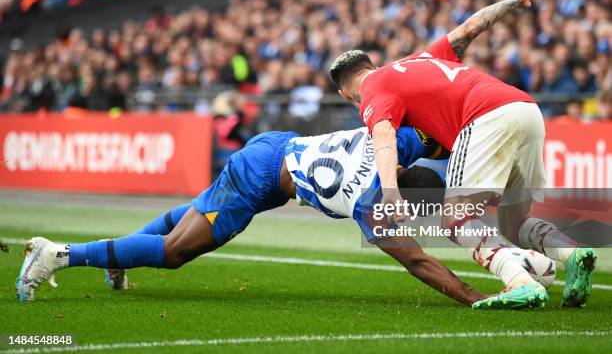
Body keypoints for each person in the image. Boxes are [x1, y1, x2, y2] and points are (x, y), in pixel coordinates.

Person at [330, 0, 597, 309]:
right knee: (513, 221)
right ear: (372, 62)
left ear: (342, 92)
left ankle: (519, 282)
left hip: (485, 117)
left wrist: (393, 193)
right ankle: (572, 253)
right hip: (526, 109)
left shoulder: (373, 89)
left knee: (455, 219)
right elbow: (473, 25)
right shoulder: (421, 59)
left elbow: (383, 136)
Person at [17, 126, 495, 307]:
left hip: (275, 145)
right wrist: (473, 295)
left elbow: (439, 135)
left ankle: (117, 258)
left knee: (192, 214)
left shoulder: (402, 144)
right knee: (177, 252)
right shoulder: (376, 210)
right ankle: (59, 253)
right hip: (262, 178)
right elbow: (418, 263)